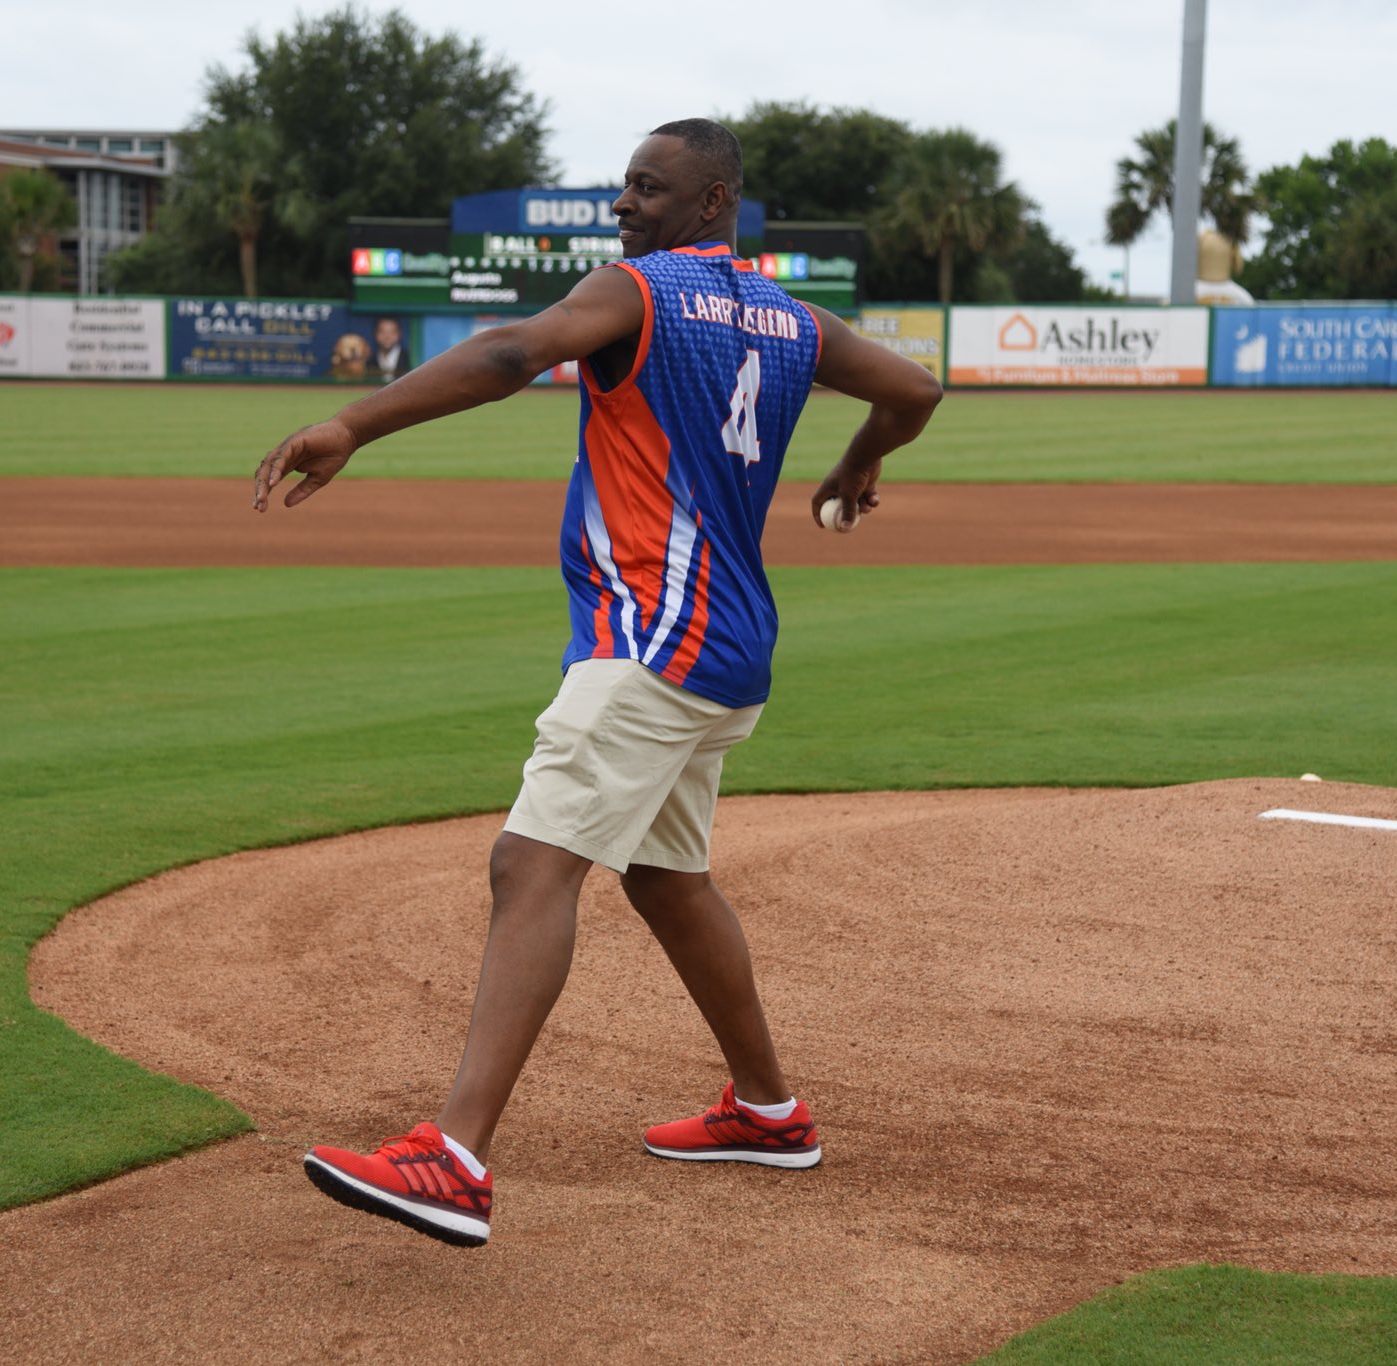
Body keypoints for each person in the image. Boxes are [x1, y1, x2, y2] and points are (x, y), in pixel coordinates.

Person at [251, 118, 942, 1248]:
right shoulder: (790, 317)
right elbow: (914, 388)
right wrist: (860, 457)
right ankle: (768, 1111)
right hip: (730, 647)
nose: (624, 204)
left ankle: (454, 1156)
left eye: (649, 187)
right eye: (622, 186)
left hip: (654, 644)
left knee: (530, 863)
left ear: (713, 200)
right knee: (667, 878)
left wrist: (353, 421)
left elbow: (507, 355)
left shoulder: (641, 291)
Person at [369, 316, 408, 381]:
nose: (387, 337)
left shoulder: (408, 358)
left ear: (399, 334)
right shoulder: (370, 361)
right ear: (375, 334)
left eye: (392, 332)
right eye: (382, 332)